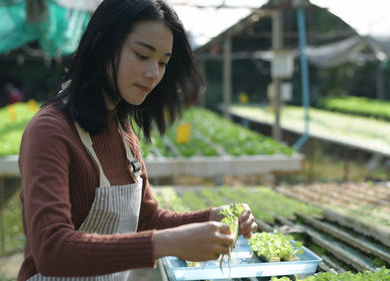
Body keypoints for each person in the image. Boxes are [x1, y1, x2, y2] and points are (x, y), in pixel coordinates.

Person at [18, 0, 258, 280]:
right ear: (101, 45)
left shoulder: (121, 127)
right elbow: (52, 250)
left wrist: (212, 218)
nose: (153, 73)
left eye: (163, 62)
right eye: (142, 55)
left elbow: (146, 219)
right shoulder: (51, 131)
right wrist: (168, 243)